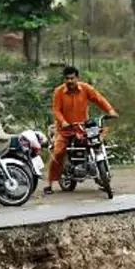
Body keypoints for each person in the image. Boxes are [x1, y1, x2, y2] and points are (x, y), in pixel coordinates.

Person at [45, 65, 118, 196]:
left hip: (83, 128)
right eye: (67, 78)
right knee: (58, 152)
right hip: (65, 130)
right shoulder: (59, 92)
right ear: (64, 79)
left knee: (96, 144)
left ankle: (101, 178)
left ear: (77, 78)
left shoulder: (85, 88)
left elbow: (98, 99)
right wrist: (63, 122)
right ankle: (50, 183)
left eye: (72, 78)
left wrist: (110, 110)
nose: (69, 81)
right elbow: (56, 110)